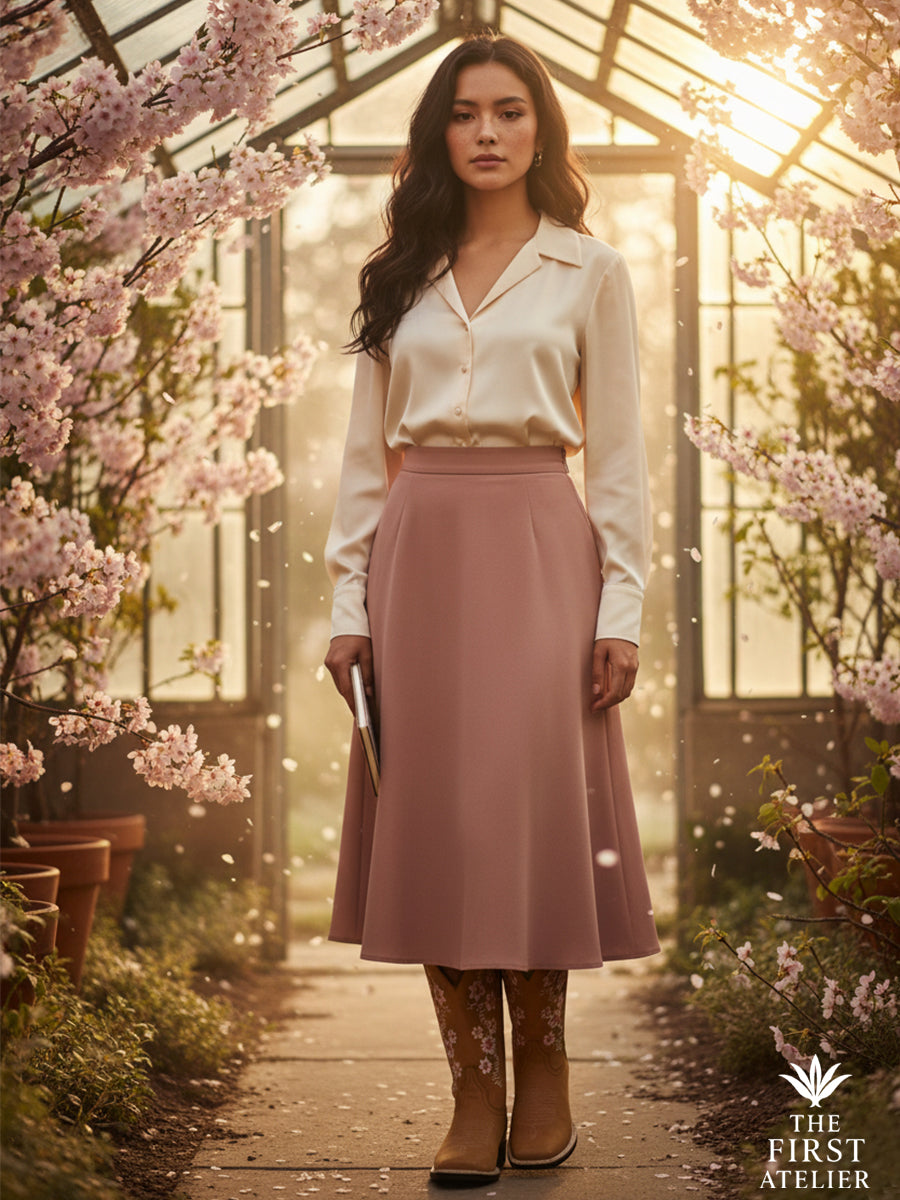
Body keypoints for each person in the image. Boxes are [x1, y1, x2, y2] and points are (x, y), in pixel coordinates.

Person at [323, 32, 659, 1187]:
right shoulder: (397, 271)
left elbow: (618, 456)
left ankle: (546, 1077)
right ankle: (472, 1090)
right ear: (438, 132)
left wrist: (621, 607)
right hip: (417, 554)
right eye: (464, 113)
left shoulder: (590, 270)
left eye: (509, 111)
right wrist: (344, 601)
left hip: (537, 548)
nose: (485, 132)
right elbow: (364, 459)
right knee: (437, 818)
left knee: (524, 814)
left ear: (540, 129)